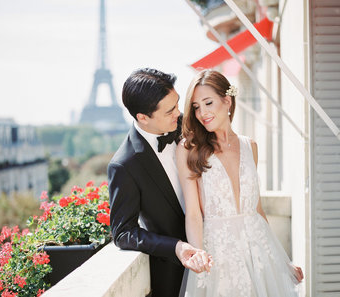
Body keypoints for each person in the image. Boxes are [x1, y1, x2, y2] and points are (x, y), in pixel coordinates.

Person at [176, 70, 304, 297]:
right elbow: (194, 214)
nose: (202, 113)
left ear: (227, 100)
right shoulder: (190, 150)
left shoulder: (250, 146)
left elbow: (257, 210)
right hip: (219, 258)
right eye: (196, 107)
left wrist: (282, 261)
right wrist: (199, 256)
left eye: (208, 103)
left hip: (260, 253)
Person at [108, 68, 212, 297]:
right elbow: (123, 232)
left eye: (176, 104)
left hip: (221, 249)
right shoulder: (124, 165)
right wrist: (176, 246)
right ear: (143, 118)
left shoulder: (190, 124)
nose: (179, 113)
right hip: (174, 274)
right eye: (170, 111)